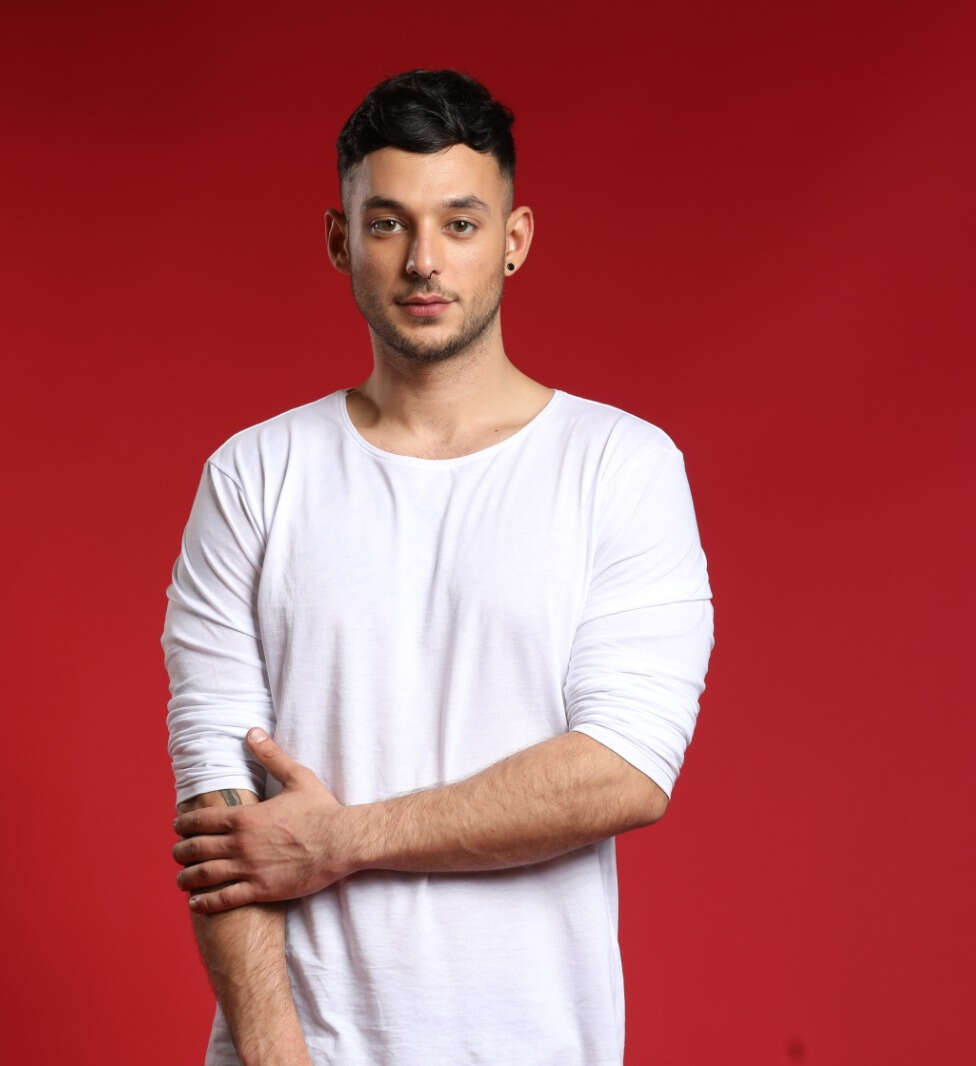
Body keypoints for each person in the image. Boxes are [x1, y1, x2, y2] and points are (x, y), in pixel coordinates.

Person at [160, 67, 715, 1066]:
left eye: (460, 224)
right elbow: (217, 808)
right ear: (341, 241)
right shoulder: (254, 475)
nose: (424, 261)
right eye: (388, 224)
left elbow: (624, 770)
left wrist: (341, 839)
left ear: (514, 239)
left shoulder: (620, 467)